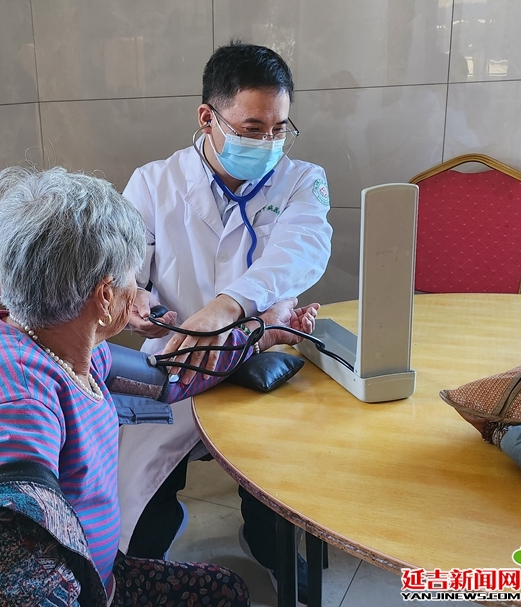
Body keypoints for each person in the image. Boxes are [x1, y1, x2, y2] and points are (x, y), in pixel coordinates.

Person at [0, 166, 316, 606]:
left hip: (80, 569)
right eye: (133, 278)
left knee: (226, 590)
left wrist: (262, 333)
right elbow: (16, 586)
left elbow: (169, 378)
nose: (139, 290)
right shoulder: (13, 414)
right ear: (105, 296)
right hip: (8, 589)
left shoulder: (45, 338)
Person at [119, 41, 333, 599]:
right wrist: (135, 304)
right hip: (173, 359)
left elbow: (302, 251)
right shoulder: (153, 183)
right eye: (252, 128)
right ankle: (157, 531)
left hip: (259, 356)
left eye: (280, 129)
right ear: (207, 117)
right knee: (137, 506)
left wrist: (226, 307)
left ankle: (265, 541)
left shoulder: (301, 179)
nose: (268, 143)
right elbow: (124, 268)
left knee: (273, 487)